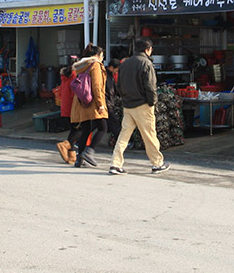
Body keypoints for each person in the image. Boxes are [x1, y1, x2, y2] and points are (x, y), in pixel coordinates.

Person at [110, 38, 169, 175]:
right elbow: (150, 87)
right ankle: (157, 163)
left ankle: (115, 164)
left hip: (128, 105)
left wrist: (124, 98)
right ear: (148, 50)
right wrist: (153, 102)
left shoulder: (124, 64)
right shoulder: (146, 63)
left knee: (123, 136)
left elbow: (118, 85)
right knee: (149, 135)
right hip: (142, 105)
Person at [68, 45, 109, 169]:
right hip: (92, 102)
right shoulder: (95, 65)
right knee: (103, 127)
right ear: (97, 56)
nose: (102, 58)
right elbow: (97, 87)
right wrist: (101, 104)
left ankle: (79, 159)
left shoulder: (81, 66)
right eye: (102, 55)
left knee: (86, 130)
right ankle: (89, 151)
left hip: (81, 101)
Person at [54, 65, 76, 164]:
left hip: (65, 108)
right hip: (73, 107)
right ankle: (65, 145)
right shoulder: (75, 76)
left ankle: (71, 156)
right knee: (80, 129)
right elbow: (74, 93)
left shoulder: (64, 77)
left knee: (74, 130)